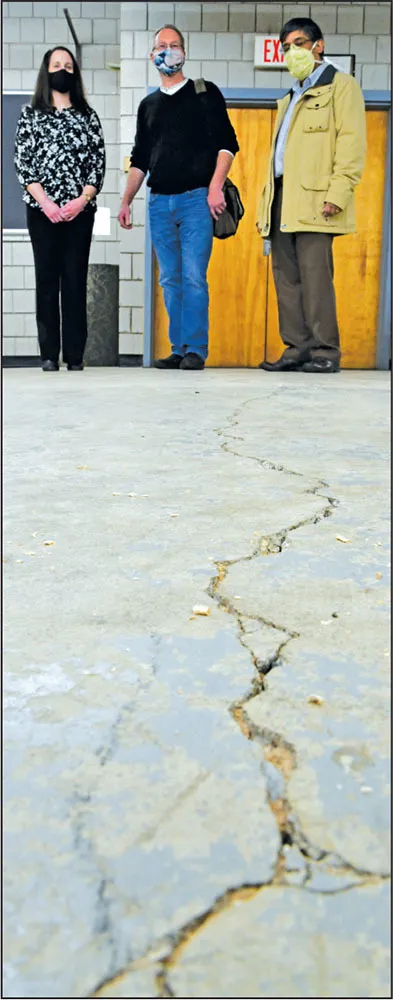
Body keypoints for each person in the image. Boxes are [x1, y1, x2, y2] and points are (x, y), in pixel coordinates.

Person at [118, 24, 239, 370]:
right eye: (161, 46)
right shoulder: (148, 105)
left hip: (197, 200)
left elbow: (227, 144)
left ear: (184, 52)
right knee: (169, 279)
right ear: (151, 55)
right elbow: (140, 158)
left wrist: (216, 186)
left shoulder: (205, 93)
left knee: (193, 277)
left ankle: (196, 349)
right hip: (159, 202)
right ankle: (178, 346)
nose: (168, 51)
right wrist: (127, 200)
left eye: (174, 45)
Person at [257, 17, 366, 373]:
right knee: (285, 278)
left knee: (316, 277)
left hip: (317, 198)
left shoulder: (342, 87)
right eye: (287, 47)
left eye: (299, 44)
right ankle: (296, 349)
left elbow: (350, 146)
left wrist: (338, 192)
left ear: (319, 45)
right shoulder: (290, 96)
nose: (293, 52)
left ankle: (324, 351)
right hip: (282, 196)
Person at [14, 46, 105, 372]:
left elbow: (98, 166)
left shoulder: (88, 116)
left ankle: (76, 356)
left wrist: (81, 201)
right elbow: (23, 166)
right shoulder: (30, 114)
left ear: (75, 73)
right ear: (46, 71)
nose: (62, 70)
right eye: (56, 65)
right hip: (42, 212)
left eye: (68, 65)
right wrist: (48, 204)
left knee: (75, 280)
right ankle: (49, 354)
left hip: (80, 212)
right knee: (47, 281)